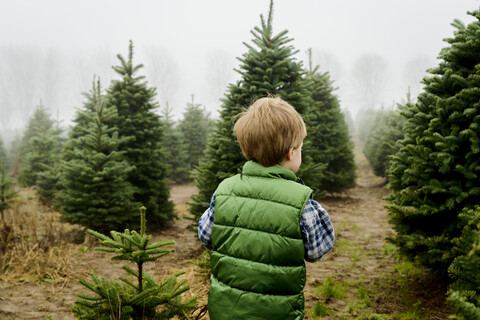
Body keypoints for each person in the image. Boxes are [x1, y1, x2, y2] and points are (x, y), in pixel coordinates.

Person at [198, 97, 334, 320]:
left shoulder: (224, 191)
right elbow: (318, 249)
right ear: (291, 152)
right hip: (278, 313)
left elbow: (205, 236)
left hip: (226, 311)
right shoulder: (301, 202)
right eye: (300, 148)